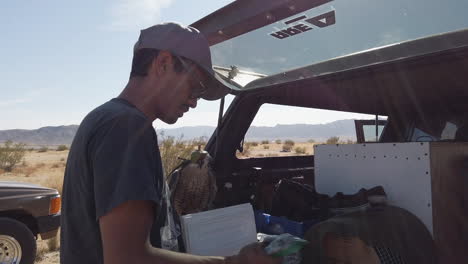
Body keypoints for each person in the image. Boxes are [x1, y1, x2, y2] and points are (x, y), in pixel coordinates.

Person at [60, 22, 280, 264]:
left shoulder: (106, 118)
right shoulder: (126, 127)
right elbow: (128, 258)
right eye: (195, 87)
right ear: (163, 63)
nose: (194, 101)